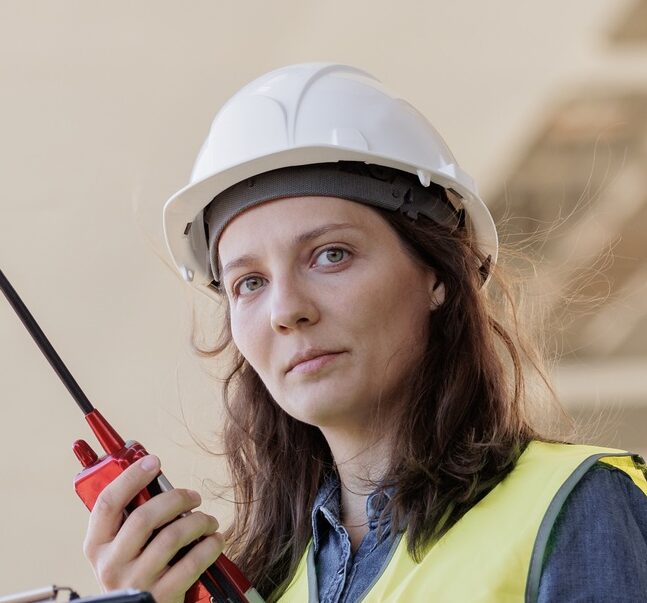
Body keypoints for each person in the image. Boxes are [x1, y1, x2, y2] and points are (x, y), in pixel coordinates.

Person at [83, 63, 647, 603]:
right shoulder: (257, 583)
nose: (287, 310)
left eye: (331, 255)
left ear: (437, 275)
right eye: (249, 282)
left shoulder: (577, 507)